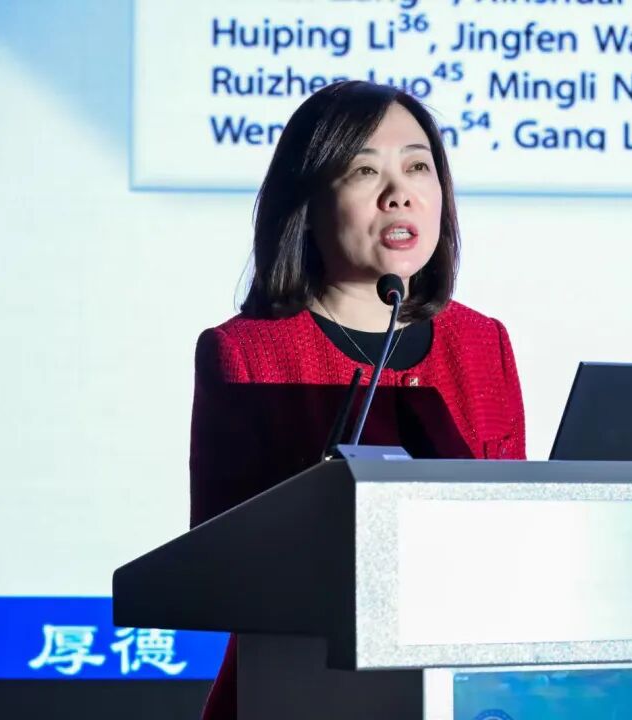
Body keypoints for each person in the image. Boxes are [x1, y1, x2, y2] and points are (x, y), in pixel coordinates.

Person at [189, 81, 526, 719]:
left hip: (458, 692)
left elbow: (513, 536)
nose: (400, 193)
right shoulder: (247, 352)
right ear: (308, 205)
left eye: (418, 167)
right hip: (295, 690)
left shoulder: (484, 344)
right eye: (365, 170)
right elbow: (220, 562)